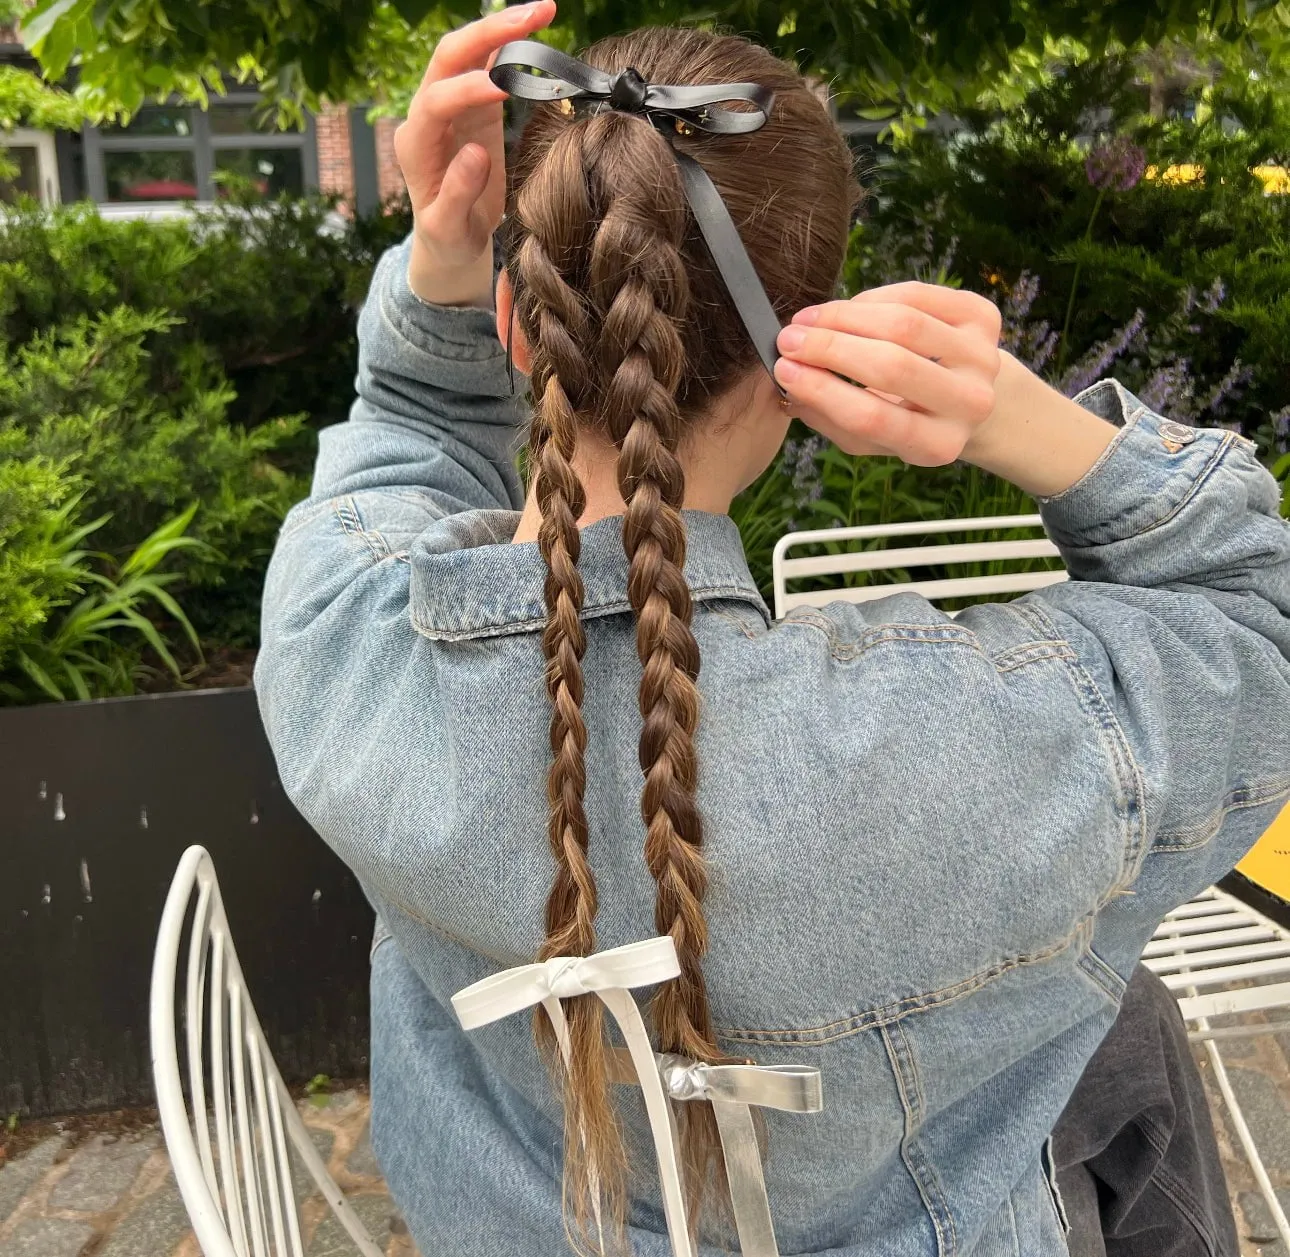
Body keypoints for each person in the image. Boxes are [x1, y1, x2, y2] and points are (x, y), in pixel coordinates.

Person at [254, 3, 1290, 1253]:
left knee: (1128, 1044)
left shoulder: (341, 648)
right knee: (1130, 1039)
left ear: (518, 326)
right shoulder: (981, 756)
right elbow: (1257, 624)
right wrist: (1023, 420)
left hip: (511, 1226)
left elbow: (404, 427)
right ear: (795, 354)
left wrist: (441, 253)